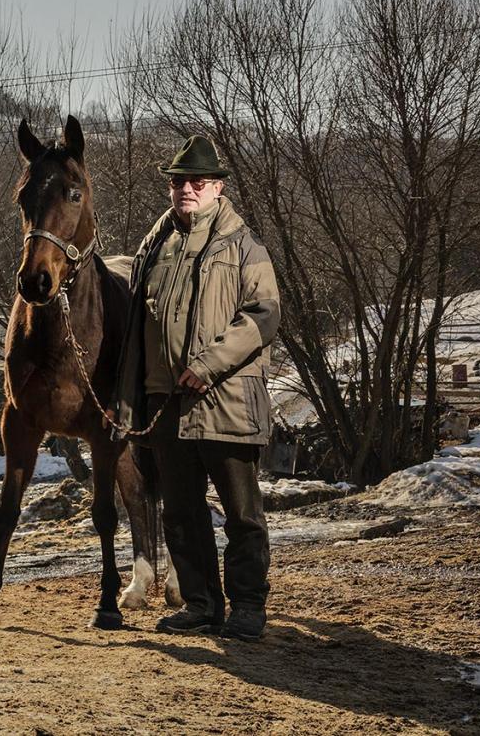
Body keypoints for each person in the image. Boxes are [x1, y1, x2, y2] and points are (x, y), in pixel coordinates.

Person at [110, 135, 281, 641]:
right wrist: (129, 400)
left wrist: (207, 364)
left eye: (196, 181)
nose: (186, 189)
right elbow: (137, 330)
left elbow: (264, 314)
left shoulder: (244, 246)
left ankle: (247, 608)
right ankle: (202, 604)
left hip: (225, 400)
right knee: (181, 514)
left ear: (217, 187)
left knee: (242, 515)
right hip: (166, 405)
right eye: (178, 181)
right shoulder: (154, 247)